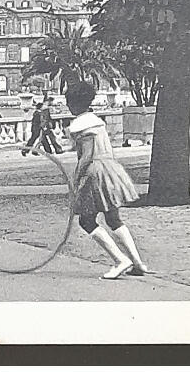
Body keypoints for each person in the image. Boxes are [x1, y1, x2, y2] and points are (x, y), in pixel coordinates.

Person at [65, 80, 149, 280]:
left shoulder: (79, 125)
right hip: (110, 168)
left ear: (75, 104)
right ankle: (137, 263)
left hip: (94, 171)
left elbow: (86, 156)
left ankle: (120, 260)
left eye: (69, 103)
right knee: (113, 218)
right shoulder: (97, 121)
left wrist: (76, 180)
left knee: (86, 221)